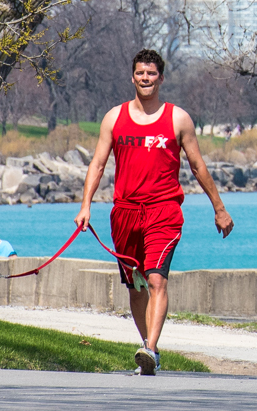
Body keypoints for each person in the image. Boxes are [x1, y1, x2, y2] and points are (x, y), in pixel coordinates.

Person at [74, 49, 235, 377]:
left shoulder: (178, 119)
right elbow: (99, 163)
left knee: (156, 278)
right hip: (125, 213)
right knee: (136, 287)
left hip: (163, 210)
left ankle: (148, 349)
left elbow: (198, 166)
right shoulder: (114, 118)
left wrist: (219, 209)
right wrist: (85, 205)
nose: (145, 79)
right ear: (132, 77)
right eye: (140, 73)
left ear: (161, 78)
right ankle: (150, 347)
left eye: (151, 74)